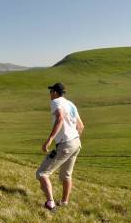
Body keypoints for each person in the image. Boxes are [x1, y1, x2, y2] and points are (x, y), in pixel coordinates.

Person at [36, 82, 84, 211]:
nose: (50, 94)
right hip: (76, 143)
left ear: (56, 93)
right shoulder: (71, 104)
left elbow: (60, 118)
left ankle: (50, 204)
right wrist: (73, 137)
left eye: (51, 91)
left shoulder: (56, 102)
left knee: (42, 173)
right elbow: (81, 126)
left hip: (65, 144)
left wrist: (50, 140)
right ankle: (64, 202)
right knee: (66, 176)